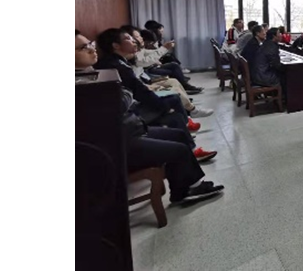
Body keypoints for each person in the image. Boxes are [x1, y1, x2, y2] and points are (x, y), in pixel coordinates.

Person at [76, 30, 224, 203]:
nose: (91, 49)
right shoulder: (93, 76)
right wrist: (128, 95)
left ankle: (186, 185)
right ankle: (186, 190)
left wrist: (125, 94)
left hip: (129, 127)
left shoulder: (92, 72)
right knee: (178, 145)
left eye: (91, 44)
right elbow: (122, 99)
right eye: (83, 47)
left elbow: (125, 94)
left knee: (178, 133)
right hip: (116, 143)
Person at [88, 29, 217, 162]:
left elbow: (139, 88)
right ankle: (190, 135)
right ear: (116, 45)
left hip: (135, 103)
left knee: (173, 104)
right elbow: (140, 92)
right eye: (129, 39)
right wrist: (162, 106)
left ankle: (189, 136)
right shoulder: (116, 66)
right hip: (131, 114)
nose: (134, 41)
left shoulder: (119, 61)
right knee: (172, 101)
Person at [122, 26, 213, 118]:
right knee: (173, 91)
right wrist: (164, 48)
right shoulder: (126, 60)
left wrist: (163, 48)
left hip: (144, 83)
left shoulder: (135, 53)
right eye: (136, 37)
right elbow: (143, 63)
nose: (141, 38)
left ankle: (189, 108)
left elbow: (149, 54)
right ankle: (191, 110)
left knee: (173, 81)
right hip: (143, 92)